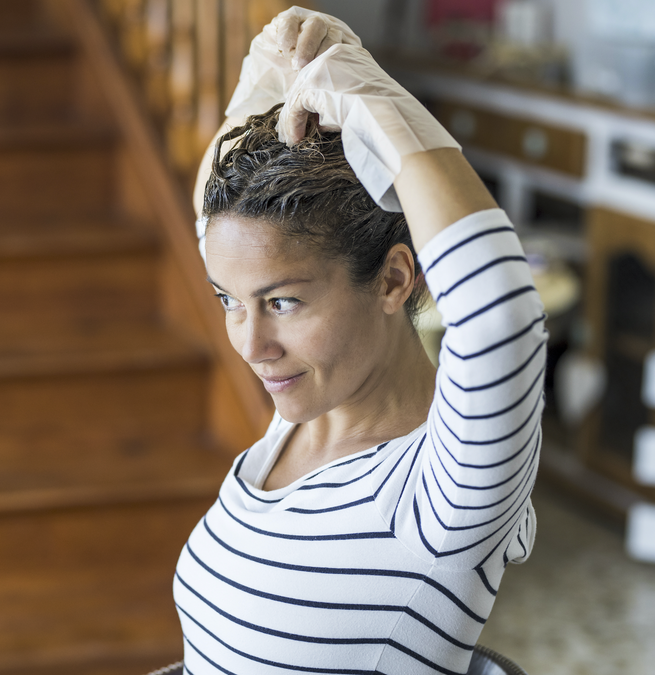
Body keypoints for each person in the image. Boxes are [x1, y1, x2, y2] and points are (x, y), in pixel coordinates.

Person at [173, 8, 545, 674]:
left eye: (282, 302)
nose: (250, 343)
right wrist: (264, 74)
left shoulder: (443, 494)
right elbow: (224, 231)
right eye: (230, 302)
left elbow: (500, 315)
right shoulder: (308, 413)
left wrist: (377, 99)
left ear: (394, 279)